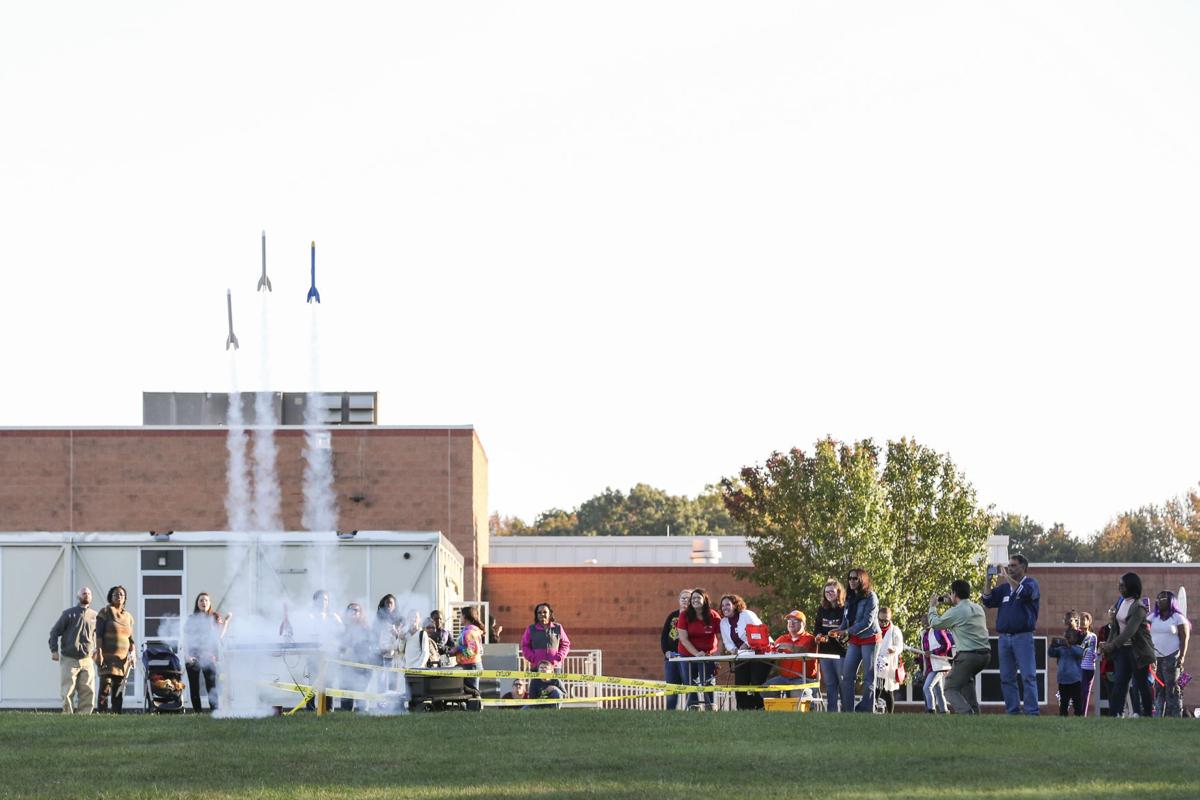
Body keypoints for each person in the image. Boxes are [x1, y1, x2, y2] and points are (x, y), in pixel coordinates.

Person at [981, 554, 1041, 715]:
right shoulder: (1005, 588)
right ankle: (1013, 711)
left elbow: (1023, 592)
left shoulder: (1031, 583)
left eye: (1014, 565)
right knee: (1007, 677)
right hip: (1004, 638)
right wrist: (988, 579)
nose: (1010, 568)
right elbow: (987, 600)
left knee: (1028, 676)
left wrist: (1006, 577)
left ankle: (1031, 712)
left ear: (1023, 567)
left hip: (1023, 636)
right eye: (1009, 565)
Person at [928, 579, 991, 715]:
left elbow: (935, 624)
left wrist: (933, 607)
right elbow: (961, 615)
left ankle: (966, 712)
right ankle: (975, 714)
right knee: (966, 682)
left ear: (954, 593)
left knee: (949, 688)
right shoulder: (978, 608)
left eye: (951, 594)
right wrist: (953, 602)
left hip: (968, 656)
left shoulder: (956, 611)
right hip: (985, 656)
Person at [1099, 572, 1155, 718]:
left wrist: (1111, 646)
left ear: (1131, 586)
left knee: (1141, 684)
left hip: (1138, 651)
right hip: (1123, 651)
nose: (1120, 587)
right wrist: (1108, 644)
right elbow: (1115, 627)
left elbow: (1129, 632)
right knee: (1120, 683)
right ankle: (1115, 714)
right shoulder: (1121, 602)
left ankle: (1147, 714)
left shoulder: (1139, 607)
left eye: (1122, 585)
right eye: (1119, 584)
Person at [835, 568, 881, 713]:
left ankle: (866, 710)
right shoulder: (849, 597)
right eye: (850, 578)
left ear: (862, 580)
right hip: (855, 640)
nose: (852, 581)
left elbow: (867, 622)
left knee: (869, 678)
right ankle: (849, 711)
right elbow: (846, 619)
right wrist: (838, 630)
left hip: (870, 639)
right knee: (847, 676)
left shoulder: (871, 597)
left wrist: (847, 631)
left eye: (855, 578)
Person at [48, 586, 98, 714]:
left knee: (88, 689)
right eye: (83, 593)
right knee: (68, 689)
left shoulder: (95, 616)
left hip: (87, 659)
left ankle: (84, 716)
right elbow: (54, 632)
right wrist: (54, 650)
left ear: (91, 597)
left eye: (88, 593)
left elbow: (97, 636)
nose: (86, 595)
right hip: (69, 658)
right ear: (78, 596)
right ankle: (67, 715)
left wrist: (97, 651)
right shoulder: (68, 614)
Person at [719, 594, 770, 710]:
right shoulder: (723, 622)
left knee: (756, 681)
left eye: (728, 604)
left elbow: (758, 630)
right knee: (740, 684)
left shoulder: (747, 614)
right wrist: (733, 650)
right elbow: (727, 642)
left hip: (760, 653)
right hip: (741, 656)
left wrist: (746, 644)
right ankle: (744, 710)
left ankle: (761, 708)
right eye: (722, 606)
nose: (725, 608)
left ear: (735, 605)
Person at [183, 591, 230, 712]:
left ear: (209, 603)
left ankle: (215, 712)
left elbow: (219, 635)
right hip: (193, 657)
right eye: (201, 600)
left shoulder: (215, 617)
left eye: (206, 600)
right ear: (197, 603)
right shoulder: (191, 619)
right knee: (194, 687)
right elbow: (186, 639)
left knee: (212, 687)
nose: (203, 602)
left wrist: (226, 622)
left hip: (209, 657)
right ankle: (198, 713)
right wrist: (187, 656)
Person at [676, 588, 721, 710]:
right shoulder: (684, 615)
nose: (695, 600)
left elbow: (721, 637)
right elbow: (684, 639)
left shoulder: (713, 615)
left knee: (708, 680)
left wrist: (717, 655)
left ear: (705, 600)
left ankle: (710, 705)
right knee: (690, 681)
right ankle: (693, 706)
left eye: (698, 597)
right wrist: (696, 654)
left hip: (708, 655)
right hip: (687, 654)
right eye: (693, 598)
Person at [1148, 589, 1190, 718]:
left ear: (1171, 601)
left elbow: (1184, 638)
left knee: (1172, 689)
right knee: (1158, 688)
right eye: (1159, 598)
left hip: (1172, 657)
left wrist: (1181, 657)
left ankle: (1174, 716)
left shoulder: (1178, 618)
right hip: (1156, 658)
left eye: (1164, 598)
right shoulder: (1152, 617)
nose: (1160, 601)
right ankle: (1159, 716)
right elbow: (1144, 634)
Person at [95, 585, 136, 714]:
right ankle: (102, 714)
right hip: (106, 657)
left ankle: (117, 714)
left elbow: (131, 639)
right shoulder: (105, 612)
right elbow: (99, 634)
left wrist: (133, 654)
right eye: (116, 594)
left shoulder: (128, 617)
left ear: (125, 599)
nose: (119, 596)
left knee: (119, 689)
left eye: (121, 594)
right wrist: (99, 653)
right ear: (110, 597)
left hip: (122, 660)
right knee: (105, 688)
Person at [763, 610, 818, 697]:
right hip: (784, 678)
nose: (791, 623)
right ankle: (778, 709)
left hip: (804, 679)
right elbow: (770, 649)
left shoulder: (810, 638)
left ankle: (808, 707)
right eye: (789, 621)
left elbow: (802, 651)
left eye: (795, 621)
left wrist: (787, 646)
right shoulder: (782, 638)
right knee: (765, 690)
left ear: (803, 624)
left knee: (796, 695)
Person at [812, 579, 847, 712]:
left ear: (838, 592)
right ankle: (831, 713)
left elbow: (848, 629)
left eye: (832, 591)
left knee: (843, 683)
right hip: (825, 652)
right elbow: (817, 627)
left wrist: (837, 634)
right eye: (826, 592)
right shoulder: (822, 609)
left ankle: (847, 712)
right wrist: (818, 636)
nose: (829, 594)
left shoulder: (844, 609)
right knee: (830, 684)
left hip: (841, 653)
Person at [661, 588, 692, 711]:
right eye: (683, 598)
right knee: (672, 689)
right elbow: (664, 635)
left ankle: (691, 711)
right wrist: (666, 651)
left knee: (689, 687)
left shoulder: (694, 617)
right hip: (671, 658)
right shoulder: (672, 616)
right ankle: (670, 713)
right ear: (679, 600)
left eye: (688, 598)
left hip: (687, 657)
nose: (685, 600)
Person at [338, 602, 373, 711]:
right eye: (350, 610)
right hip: (346, 667)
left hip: (361, 668)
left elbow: (367, 647)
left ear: (360, 613)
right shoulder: (343, 627)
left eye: (355, 610)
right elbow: (339, 646)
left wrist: (352, 647)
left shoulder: (366, 629)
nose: (352, 613)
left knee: (361, 699)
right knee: (346, 700)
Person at [520, 602, 571, 674]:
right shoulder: (531, 629)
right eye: (539, 613)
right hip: (537, 667)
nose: (542, 614)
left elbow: (565, 644)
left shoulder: (558, 627)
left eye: (545, 612)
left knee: (556, 686)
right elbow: (525, 646)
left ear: (549, 614)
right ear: (536, 615)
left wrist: (559, 657)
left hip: (555, 667)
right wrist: (533, 658)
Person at [1049, 620, 1085, 717]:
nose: (1067, 639)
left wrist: (1069, 646)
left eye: (1069, 637)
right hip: (1063, 680)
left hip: (1075, 680)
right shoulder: (1061, 649)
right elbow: (1051, 653)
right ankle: (1063, 715)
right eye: (1066, 637)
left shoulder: (1077, 648)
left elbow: (1079, 654)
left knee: (1077, 700)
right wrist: (1053, 645)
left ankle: (1079, 715)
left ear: (1075, 639)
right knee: (1063, 701)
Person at [918, 618, 954, 714]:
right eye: (923, 623)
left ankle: (931, 710)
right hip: (930, 666)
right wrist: (919, 660)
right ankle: (944, 711)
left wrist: (933, 652)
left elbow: (947, 645)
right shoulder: (923, 634)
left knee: (927, 687)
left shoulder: (938, 630)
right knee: (938, 690)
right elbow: (924, 652)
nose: (925, 625)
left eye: (926, 623)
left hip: (939, 665)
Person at [875, 606, 905, 714]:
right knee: (876, 690)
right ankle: (872, 711)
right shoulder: (874, 628)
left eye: (886, 621)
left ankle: (890, 714)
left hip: (889, 665)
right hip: (876, 663)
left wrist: (894, 649)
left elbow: (900, 646)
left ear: (890, 619)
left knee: (888, 691)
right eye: (881, 620)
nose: (883, 623)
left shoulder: (895, 630)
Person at [451, 605, 486, 696]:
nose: (459, 618)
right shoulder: (467, 631)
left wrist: (458, 649)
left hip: (471, 666)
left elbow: (471, 652)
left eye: (460, 616)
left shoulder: (470, 632)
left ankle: (476, 708)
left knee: (472, 693)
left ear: (465, 617)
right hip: (466, 664)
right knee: (464, 692)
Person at [373, 595, 400, 691]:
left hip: (394, 657)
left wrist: (397, 634)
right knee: (381, 682)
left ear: (395, 605)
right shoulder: (378, 620)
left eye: (390, 603)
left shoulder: (400, 621)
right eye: (386, 603)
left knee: (393, 683)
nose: (388, 605)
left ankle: (392, 704)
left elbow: (403, 640)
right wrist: (378, 649)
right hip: (381, 656)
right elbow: (373, 637)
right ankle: (381, 705)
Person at [1078, 611, 1099, 716]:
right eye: (1080, 620)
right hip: (1080, 667)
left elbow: (1094, 651)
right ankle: (1079, 713)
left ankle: (1083, 714)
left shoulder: (1093, 636)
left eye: (1084, 620)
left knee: (1086, 692)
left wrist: (1098, 654)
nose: (1081, 622)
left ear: (1089, 621)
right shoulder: (1076, 634)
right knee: (1081, 691)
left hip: (1090, 667)